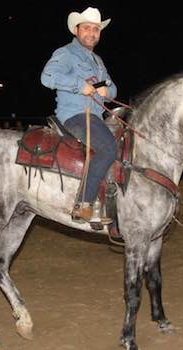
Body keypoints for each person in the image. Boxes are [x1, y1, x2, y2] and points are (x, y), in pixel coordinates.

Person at [41, 6, 117, 224]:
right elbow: (47, 76)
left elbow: (113, 91)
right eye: (87, 28)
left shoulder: (98, 62)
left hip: (95, 118)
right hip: (74, 115)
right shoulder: (65, 54)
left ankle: (110, 201)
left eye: (96, 29)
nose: (91, 33)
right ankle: (83, 205)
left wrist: (106, 90)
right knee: (108, 147)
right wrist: (78, 85)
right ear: (76, 30)